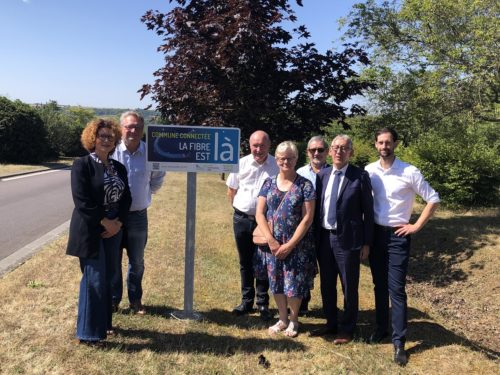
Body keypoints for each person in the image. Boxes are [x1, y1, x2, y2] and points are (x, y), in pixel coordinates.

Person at [365, 127, 440, 366]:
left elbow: (433, 198)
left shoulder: (409, 171)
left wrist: (415, 226)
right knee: (379, 285)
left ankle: (399, 343)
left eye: (388, 142)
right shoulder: (369, 171)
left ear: (395, 144)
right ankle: (381, 329)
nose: (384, 146)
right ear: (375, 145)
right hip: (376, 235)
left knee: (396, 290)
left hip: (398, 236)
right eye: (380, 143)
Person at [66, 118, 131, 345]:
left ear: (115, 141)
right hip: (91, 228)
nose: (106, 140)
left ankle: (103, 324)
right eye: (101, 136)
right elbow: (81, 200)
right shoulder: (81, 164)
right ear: (92, 138)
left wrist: (118, 223)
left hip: (114, 229)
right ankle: (88, 333)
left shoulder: (119, 167)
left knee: (108, 278)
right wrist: (105, 222)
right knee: (93, 278)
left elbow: (126, 199)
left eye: (110, 137)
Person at [312, 135, 374, 345]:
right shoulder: (323, 175)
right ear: (330, 151)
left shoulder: (360, 176)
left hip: (348, 240)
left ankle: (347, 328)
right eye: (336, 148)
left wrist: (366, 242)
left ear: (351, 152)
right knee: (327, 284)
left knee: (349, 286)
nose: (339, 151)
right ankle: (331, 323)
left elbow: (368, 211)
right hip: (324, 238)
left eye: (344, 148)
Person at [254, 141, 316, 337]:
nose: (285, 161)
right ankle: (282, 318)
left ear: (297, 158)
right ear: (277, 159)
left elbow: (307, 218)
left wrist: (290, 245)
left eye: (290, 157)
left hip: (297, 245)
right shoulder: (268, 183)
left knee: (294, 284)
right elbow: (259, 213)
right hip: (272, 244)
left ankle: (294, 320)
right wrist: (271, 241)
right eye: (281, 158)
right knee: (276, 282)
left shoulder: (305, 185)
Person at [111, 111, 165, 315]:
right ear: (121, 128)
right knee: (113, 261)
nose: (133, 130)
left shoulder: (151, 153)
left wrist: (144, 194)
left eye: (137, 127)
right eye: (129, 126)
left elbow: (158, 178)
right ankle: (114, 300)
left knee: (137, 262)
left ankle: (135, 301)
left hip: (138, 217)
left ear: (142, 130)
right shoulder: (112, 152)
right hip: (114, 217)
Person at [226, 130, 279, 320]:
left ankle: (263, 303)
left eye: (262, 145)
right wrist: (241, 209)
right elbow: (232, 191)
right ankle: (246, 302)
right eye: (255, 145)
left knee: (263, 263)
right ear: (250, 145)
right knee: (245, 261)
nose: (258, 149)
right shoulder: (240, 164)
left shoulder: (276, 165)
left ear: (269, 145)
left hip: (265, 222)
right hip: (241, 219)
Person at [296, 135, 330, 315]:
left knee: (327, 269)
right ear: (307, 152)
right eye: (313, 150)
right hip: (304, 227)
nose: (317, 153)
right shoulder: (299, 173)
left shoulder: (334, 172)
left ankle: (328, 306)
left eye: (321, 149)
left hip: (326, 229)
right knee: (303, 266)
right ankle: (302, 303)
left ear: (328, 152)